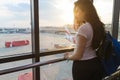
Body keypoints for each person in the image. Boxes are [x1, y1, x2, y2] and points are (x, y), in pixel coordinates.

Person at [64, 0, 106, 80]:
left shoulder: (84, 28)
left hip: (83, 67)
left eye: (78, 11)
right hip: (96, 63)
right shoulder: (98, 26)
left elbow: (78, 55)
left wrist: (68, 56)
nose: (76, 14)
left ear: (85, 11)